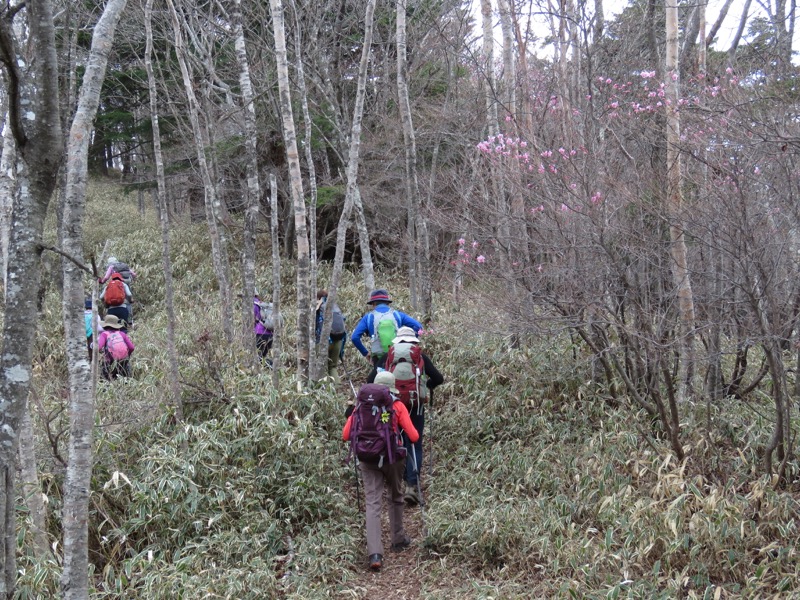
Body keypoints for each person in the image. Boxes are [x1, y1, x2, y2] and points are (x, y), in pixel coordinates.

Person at [342, 371, 418, 572]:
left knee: (373, 503)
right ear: (391, 388)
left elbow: (345, 435)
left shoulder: (360, 407)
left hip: (367, 459)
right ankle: (398, 538)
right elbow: (414, 436)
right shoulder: (397, 406)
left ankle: (375, 553)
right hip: (393, 459)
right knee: (396, 496)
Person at [383, 326, 444, 505]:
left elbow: (372, 379)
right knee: (415, 442)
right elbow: (439, 378)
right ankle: (412, 484)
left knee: (396, 440)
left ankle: (397, 483)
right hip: (415, 407)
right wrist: (426, 386)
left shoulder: (388, 357)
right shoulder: (420, 357)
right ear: (413, 342)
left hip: (393, 407)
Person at [350, 289, 422, 379]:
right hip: (397, 354)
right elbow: (418, 327)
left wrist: (366, 354)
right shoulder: (397, 315)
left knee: (379, 382)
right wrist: (409, 344)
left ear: (373, 304)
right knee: (397, 380)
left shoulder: (368, 317)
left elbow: (354, 337)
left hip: (378, 357)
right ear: (387, 303)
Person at [315, 289, 347, 381]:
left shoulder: (319, 307)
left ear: (318, 298)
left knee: (322, 368)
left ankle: (326, 392)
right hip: (338, 340)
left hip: (323, 341)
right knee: (332, 367)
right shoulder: (335, 307)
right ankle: (337, 389)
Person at [97, 314, 135, 380]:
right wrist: (127, 355)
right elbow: (131, 347)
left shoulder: (104, 334)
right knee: (124, 380)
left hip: (109, 363)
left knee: (105, 380)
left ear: (105, 325)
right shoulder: (122, 334)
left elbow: (99, 347)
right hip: (123, 362)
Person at [254, 291, 275, 364]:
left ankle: (273, 368)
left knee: (258, 358)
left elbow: (254, 319)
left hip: (260, 333)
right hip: (270, 333)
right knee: (263, 357)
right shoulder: (262, 304)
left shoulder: (253, 304)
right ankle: (273, 369)